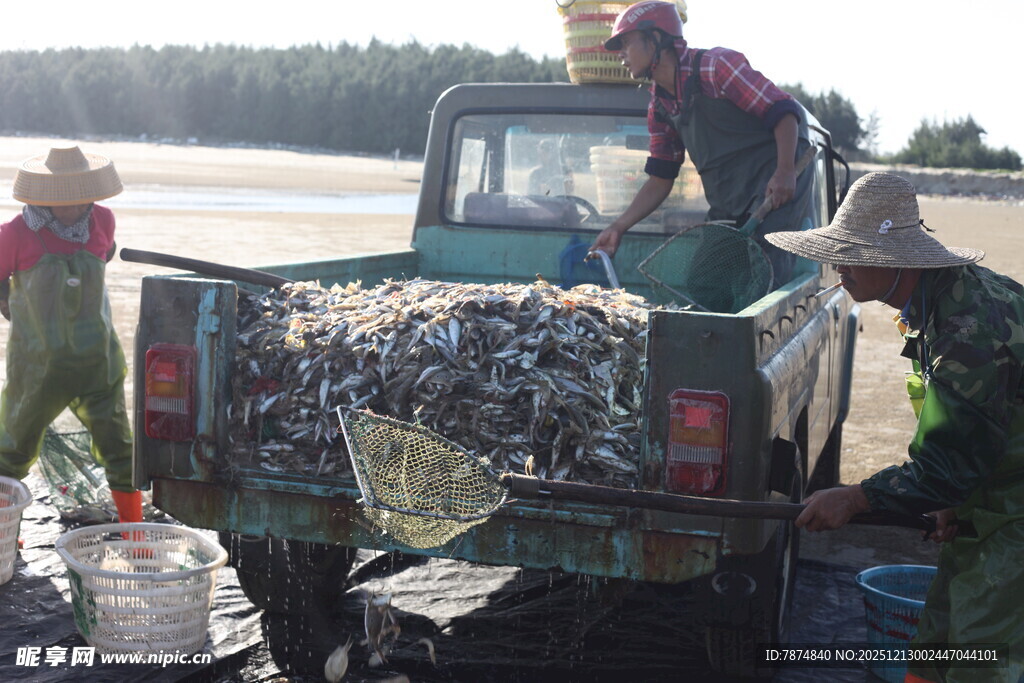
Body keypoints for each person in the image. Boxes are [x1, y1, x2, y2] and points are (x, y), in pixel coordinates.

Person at [766, 172, 1023, 683]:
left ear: (897, 260)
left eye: (850, 253)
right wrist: (952, 498)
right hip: (987, 503)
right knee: (935, 645)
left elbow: (946, 464)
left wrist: (855, 498)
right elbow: (970, 438)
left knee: (983, 660)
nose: (838, 266)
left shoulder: (970, 327)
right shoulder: (938, 302)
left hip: (1014, 519)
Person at [590, 0, 813, 287]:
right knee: (703, 282)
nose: (621, 55)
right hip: (729, 202)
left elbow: (783, 112)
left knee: (763, 280)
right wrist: (618, 227)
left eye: (626, 43)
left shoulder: (715, 67)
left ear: (655, 38)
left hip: (778, 187)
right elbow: (660, 180)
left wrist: (784, 172)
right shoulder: (659, 106)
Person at [0, 146, 143, 528]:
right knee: (10, 452)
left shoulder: (103, 221)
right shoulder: (14, 234)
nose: (73, 207)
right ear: (42, 197)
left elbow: (103, 256)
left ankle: (136, 536)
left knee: (121, 451)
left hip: (99, 365)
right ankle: (6, 533)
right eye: (62, 199)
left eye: (80, 198)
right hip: (36, 370)